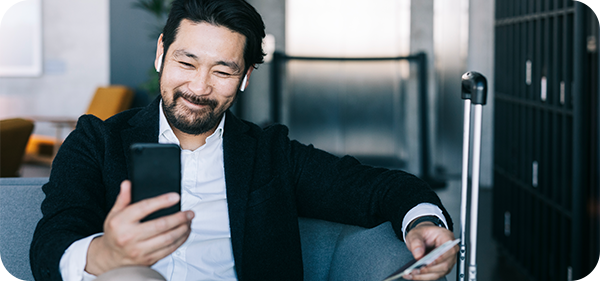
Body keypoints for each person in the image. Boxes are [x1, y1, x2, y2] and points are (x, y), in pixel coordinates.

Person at [30, 0, 458, 280]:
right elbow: (52, 242)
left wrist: (424, 221)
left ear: (246, 77)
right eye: (186, 62)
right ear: (162, 52)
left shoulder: (271, 155)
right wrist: (107, 254)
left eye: (223, 70)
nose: (199, 87)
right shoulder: (97, 142)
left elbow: (382, 188)